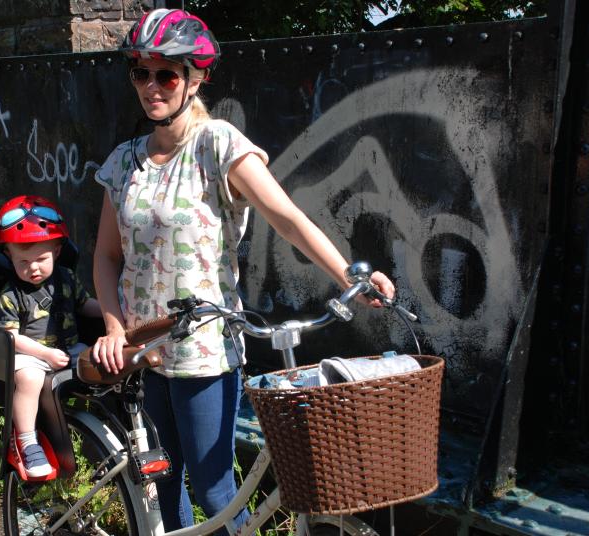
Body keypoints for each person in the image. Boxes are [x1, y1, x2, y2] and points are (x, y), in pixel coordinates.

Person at [90, 8, 396, 533]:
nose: (151, 86)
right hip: (144, 347)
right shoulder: (123, 161)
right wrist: (116, 329)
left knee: (214, 488)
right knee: (163, 485)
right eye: (141, 72)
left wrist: (350, 274)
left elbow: (287, 217)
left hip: (205, 350)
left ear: (196, 78)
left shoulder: (217, 144)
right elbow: (106, 255)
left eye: (166, 74)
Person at [0, 195, 102, 478]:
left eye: (41, 259)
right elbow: (11, 337)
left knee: (103, 361)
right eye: (23, 261)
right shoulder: (11, 293)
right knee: (30, 379)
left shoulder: (66, 278)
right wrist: (44, 354)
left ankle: (103, 436)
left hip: (69, 348)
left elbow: (84, 306)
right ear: (9, 257)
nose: (33, 268)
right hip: (30, 355)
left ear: (56, 250)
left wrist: (112, 312)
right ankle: (27, 442)